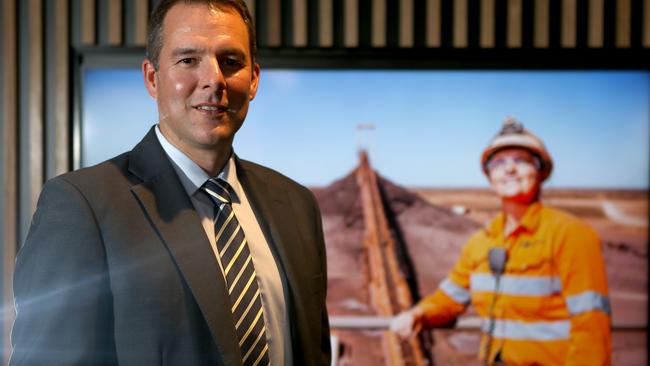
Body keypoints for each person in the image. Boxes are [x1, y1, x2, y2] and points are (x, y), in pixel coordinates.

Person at [10, 1, 330, 365]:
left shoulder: (297, 206)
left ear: (254, 78)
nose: (213, 80)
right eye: (188, 60)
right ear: (152, 78)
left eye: (230, 62)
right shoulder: (82, 206)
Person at [391, 118, 611, 365]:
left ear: (540, 171)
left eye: (521, 160)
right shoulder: (482, 241)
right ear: (489, 176)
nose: (509, 169)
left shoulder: (571, 235)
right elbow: (451, 296)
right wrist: (419, 314)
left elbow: (590, 329)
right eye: (498, 162)